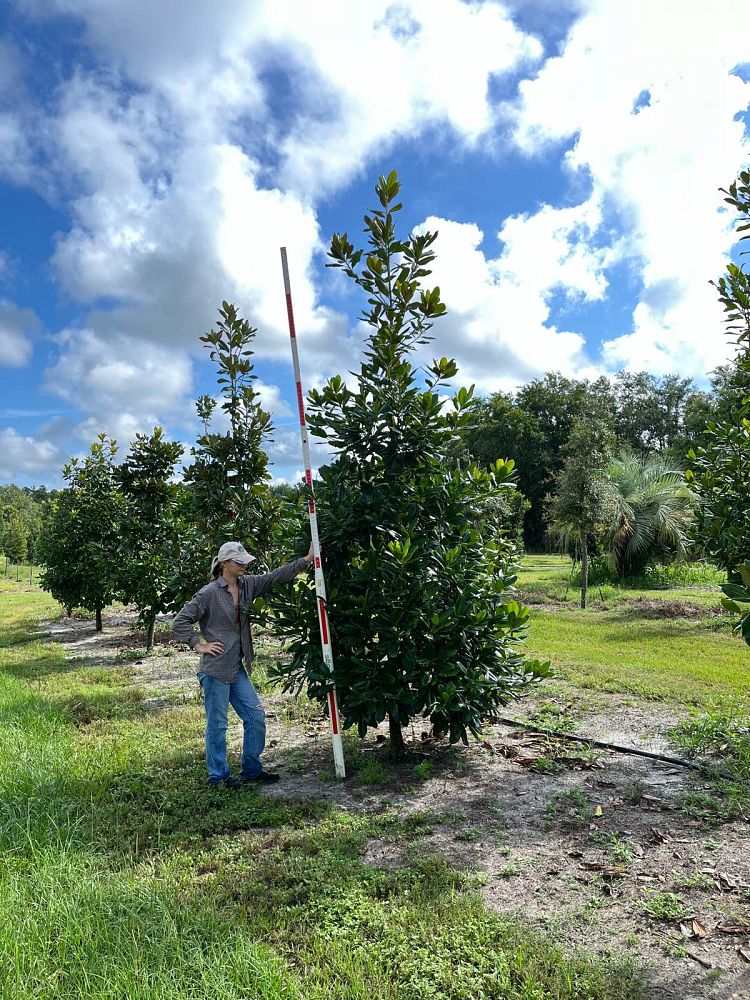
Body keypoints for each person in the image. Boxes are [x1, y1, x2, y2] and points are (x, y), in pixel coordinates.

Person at [173, 540, 312, 788]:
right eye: (239, 561)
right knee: (217, 725)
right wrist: (198, 644)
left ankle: (251, 768)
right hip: (215, 669)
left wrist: (306, 560)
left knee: (256, 715)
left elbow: (274, 577)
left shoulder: (247, 585)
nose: (244, 565)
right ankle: (218, 776)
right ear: (224, 563)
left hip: (236, 667)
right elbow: (180, 621)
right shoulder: (209, 593)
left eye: (245, 561)